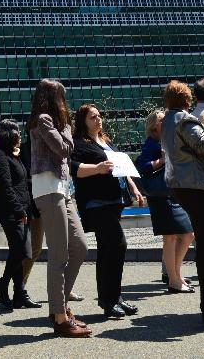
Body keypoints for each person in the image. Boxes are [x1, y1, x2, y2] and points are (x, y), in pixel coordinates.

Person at [28, 79, 90, 338]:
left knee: (80, 246)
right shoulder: (43, 119)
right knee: (59, 255)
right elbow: (64, 148)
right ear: (53, 98)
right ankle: (60, 316)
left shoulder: (54, 122)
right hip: (48, 187)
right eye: (61, 97)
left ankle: (58, 307)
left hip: (63, 189)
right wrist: (66, 126)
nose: (65, 102)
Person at [71, 104, 143, 319]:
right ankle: (109, 300)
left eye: (99, 116)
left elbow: (120, 166)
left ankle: (113, 298)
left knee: (108, 250)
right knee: (118, 244)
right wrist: (98, 169)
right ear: (83, 121)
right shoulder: (79, 144)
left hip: (114, 201)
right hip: (96, 202)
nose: (98, 120)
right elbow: (74, 169)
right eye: (93, 117)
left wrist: (133, 186)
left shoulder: (106, 141)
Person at [160, 79, 204, 330]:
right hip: (197, 187)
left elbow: (192, 145)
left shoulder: (168, 120)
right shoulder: (183, 120)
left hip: (182, 186)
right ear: (186, 99)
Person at [136, 109, 194, 291]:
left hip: (172, 195)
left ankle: (175, 274)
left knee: (187, 235)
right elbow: (142, 166)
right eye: (162, 120)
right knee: (169, 238)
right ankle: (174, 280)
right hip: (161, 197)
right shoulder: (152, 144)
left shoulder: (167, 141)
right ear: (154, 126)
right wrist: (161, 160)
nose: (166, 122)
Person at [0, 119, 40, 310]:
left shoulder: (14, 155)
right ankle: (3, 285)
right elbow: (5, 186)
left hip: (23, 210)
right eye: (17, 132)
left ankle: (20, 294)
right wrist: (19, 209)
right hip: (11, 211)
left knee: (20, 253)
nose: (20, 135)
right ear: (8, 134)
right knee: (21, 251)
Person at [19, 123, 45, 297]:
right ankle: (18, 284)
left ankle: (67, 288)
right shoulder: (22, 150)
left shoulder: (51, 148)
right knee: (31, 248)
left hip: (49, 200)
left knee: (66, 246)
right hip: (31, 205)